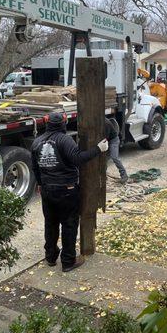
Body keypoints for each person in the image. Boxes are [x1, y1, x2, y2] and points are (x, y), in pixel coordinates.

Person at [31, 112, 108, 272]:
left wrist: (40, 183)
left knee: (50, 224)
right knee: (69, 224)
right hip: (66, 190)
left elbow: (35, 167)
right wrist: (98, 149)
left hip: (47, 190)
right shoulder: (64, 140)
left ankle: (51, 257)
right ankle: (68, 261)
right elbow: (78, 158)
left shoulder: (36, 142)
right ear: (63, 123)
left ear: (47, 123)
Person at [105, 117, 128, 184]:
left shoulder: (105, 123)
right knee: (104, 158)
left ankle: (124, 176)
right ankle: (103, 175)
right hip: (107, 140)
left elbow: (105, 139)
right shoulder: (98, 121)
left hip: (113, 141)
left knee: (114, 157)